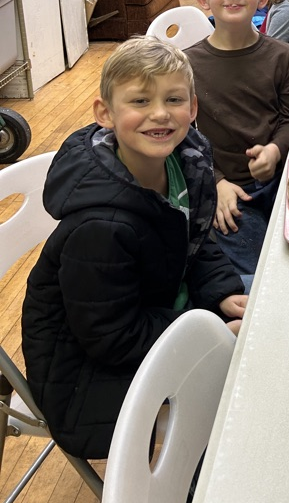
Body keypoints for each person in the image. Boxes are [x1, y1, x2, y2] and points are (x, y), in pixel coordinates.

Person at [21, 37, 246, 461]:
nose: (159, 114)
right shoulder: (100, 229)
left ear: (192, 109)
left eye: (174, 99)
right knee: (242, 401)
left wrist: (220, 289)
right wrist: (205, 336)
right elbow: (113, 338)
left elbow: (196, 241)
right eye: (140, 101)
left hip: (159, 312)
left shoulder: (186, 162)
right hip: (88, 377)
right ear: (105, 113)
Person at [186, 0, 289, 276]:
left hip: (284, 179)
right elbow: (182, 137)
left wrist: (275, 150)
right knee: (264, 277)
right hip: (230, 193)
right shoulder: (187, 65)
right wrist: (217, 181)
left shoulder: (283, 56)